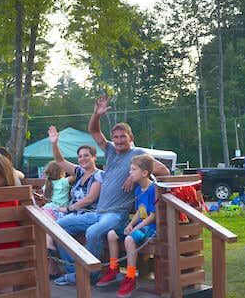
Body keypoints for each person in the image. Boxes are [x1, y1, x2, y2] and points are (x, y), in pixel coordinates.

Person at [54, 95, 169, 285]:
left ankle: (90, 274)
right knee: (59, 227)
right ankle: (74, 270)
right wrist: (97, 114)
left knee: (92, 233)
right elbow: (93, 131)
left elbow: (163, 170)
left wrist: (133, 175)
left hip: (116, 216)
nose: (118, 140)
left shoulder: (138, 154)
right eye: (115, 137)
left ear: (131, 138)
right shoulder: (109, 150)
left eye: (123, 136)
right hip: (98, 212)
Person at [98, 154, 158, 298]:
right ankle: (113, 268)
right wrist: (131, 224)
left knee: (129, 240)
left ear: (144, 173)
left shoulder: (153, 189)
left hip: (151, 228)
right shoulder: (138, 190)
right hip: (140, 225)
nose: (130, 172)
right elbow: (139, 211)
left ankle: (130, 277)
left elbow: (153, 215)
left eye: (133, 169)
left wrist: (137, 227)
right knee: (111, 234)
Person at [47, 125, 102, 214]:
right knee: (43, 214)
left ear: (94, 157)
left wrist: (68, 209)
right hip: (72, 212)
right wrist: (54, 144)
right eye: (80, 156)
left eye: (86, 155)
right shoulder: (80, 171)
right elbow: (60, 161)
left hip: (85, 213)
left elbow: (90, 199)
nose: (82, 158)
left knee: (50, 220)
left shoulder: (99, 175)